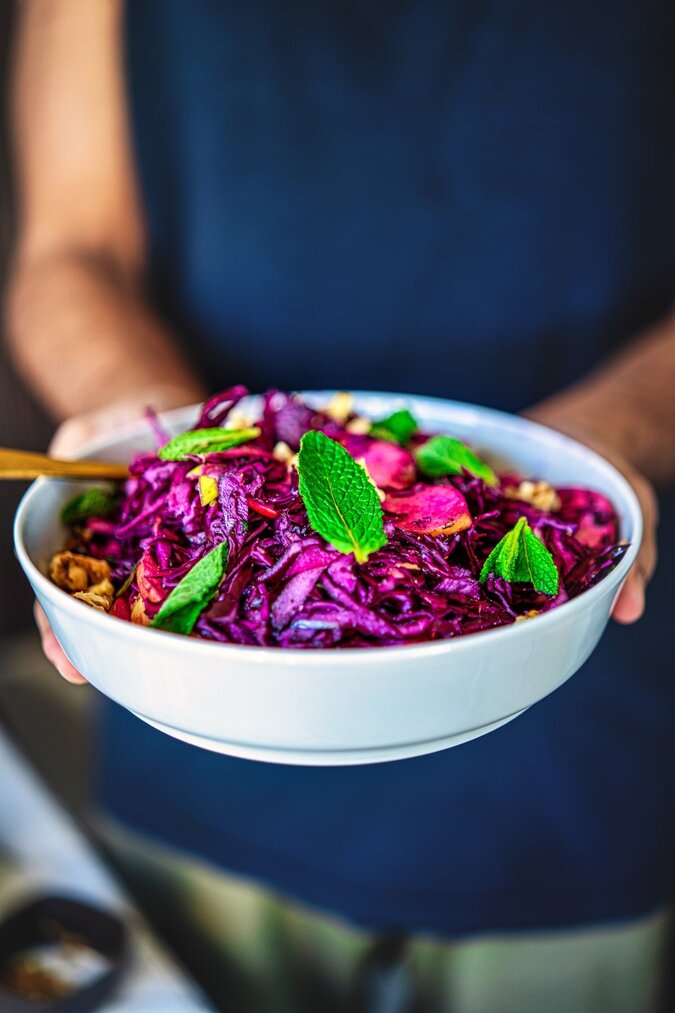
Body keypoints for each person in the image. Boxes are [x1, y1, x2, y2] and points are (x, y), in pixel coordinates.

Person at [5, 2, 675, 1010]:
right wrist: (142, 436)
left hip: (574, 734)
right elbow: (71, 248)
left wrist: (609, 438)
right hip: (196, 713)